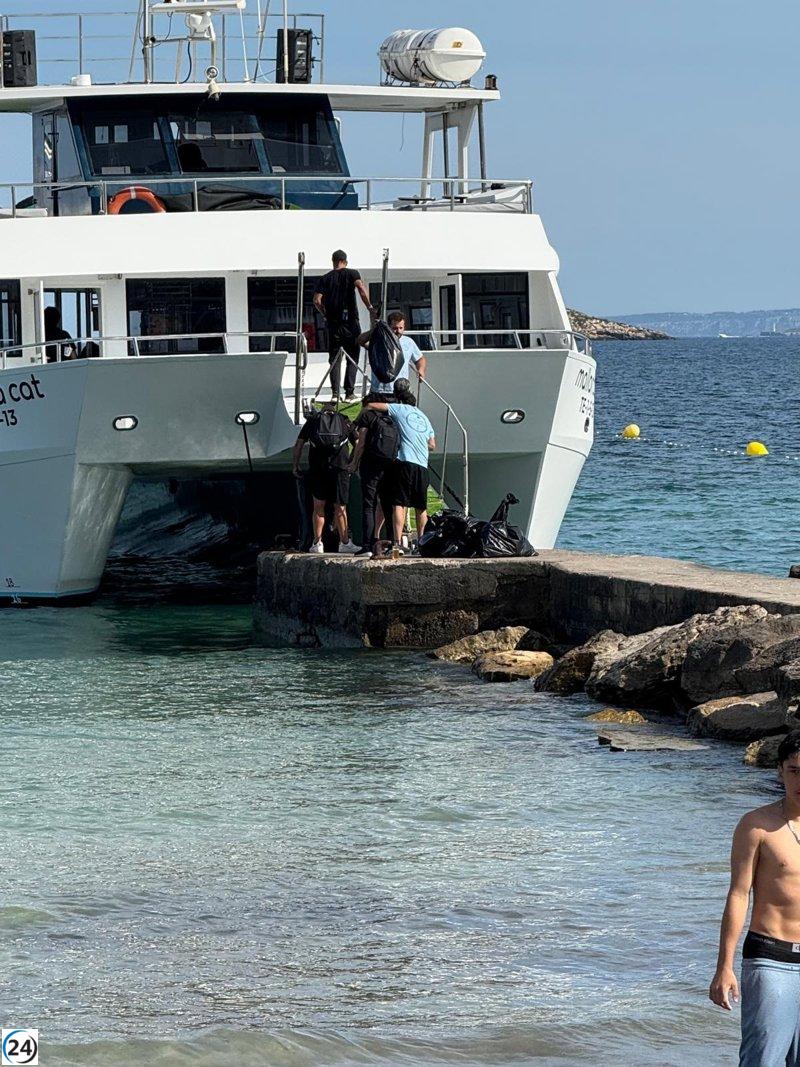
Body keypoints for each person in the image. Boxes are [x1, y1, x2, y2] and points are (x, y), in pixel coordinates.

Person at [710, 729, 800, 1065]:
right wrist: (724, 967)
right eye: (794, 770)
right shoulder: (756, 825)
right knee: (763, 1059)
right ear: (779, 770)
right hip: (771, 958)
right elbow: (737, 894)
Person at [365, 395, 435, 554]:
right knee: (421, 507)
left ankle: (397, 543)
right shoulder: (424, 417)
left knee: (399, 503)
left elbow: (373, 405)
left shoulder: (400, 408)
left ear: (401, 402)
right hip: (422, 465)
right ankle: (421, 544)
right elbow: (432, 445)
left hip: (404, 462)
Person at [292, 405, 360, 554]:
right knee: (340, 506)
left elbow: (298, 445)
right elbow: (358, 442)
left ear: (322, 410)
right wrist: (353, 462)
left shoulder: (313, 421)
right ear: (335, 410)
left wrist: (295, 466)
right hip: (340, 468)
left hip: (318, 468)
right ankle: (345, 543)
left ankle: (317, 543)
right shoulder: (344, 420)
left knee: (318, 505)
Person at [313, 250, 373, 401]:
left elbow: (317, 300)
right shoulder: (352, 273)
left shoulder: (325, 278)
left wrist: (325, 314)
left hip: (333, 324)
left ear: (333, 261)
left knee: (334, 359)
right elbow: (361, 289)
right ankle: (349, 392)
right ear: (345, 262)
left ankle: (334, 394)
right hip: (350, 322)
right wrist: (370, 308)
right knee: (352, 356)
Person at [348, 393, 401, 557]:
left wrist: (354, 462)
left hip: (371, 465)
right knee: (387, 504)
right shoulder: (391, 417)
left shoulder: (368, 417)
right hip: (390, 465)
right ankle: (392, 543)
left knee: (368, 505)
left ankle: (368, 544)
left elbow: (362, 442)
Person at [369, 311, 427, 399]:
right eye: (395, 328)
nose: (398, 331)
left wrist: (421, 370)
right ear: (388, 327)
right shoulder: (378, 340)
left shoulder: (409, 342)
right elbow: (360, 341)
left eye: (401, 328)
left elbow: (420, 359)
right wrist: (374, 330)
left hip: (401, 390)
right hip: (379, 391)